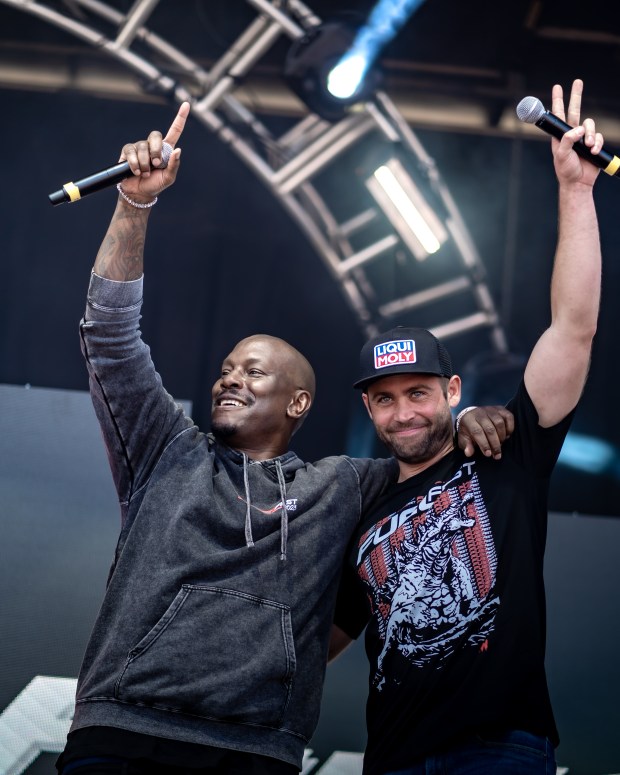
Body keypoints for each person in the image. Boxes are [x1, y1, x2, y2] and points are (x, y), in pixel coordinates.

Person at [56, 101, 512, 775]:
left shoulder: (342, 485)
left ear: (298, 401)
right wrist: (133, 204)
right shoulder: (166, 449)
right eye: (225, 369)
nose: (228, 380)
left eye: (253, 371)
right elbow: (111, 339)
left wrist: (473, 419)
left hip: (255, 751)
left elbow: (426, 452)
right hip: (123, 732)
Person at [329, 78, 603, 775]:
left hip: (499, 748)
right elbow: (321, 636)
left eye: (419, 392)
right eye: (385, 399)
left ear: (453, 389)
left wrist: (576, 192)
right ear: (368, 409)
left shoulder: (507, 446)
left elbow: (572, 331)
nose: (404, 412)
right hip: (389, 758)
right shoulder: (363, 507)